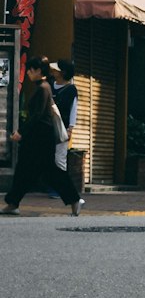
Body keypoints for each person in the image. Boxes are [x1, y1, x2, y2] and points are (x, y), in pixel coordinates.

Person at [3, 57, 83, 215]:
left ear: (38, 71)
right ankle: (13, 203)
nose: (28, 74)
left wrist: (21, 132)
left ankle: (73, 199)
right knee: (28, 170)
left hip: (40, 138)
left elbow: (38, 115)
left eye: (31, 70)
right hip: (39, 137)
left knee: (45, 172)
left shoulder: (43, 88)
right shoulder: (45, 86)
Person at [51, 59, 79, 173]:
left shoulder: (71, 90)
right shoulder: (49, 84)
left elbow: (73, 109)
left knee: (60, 159)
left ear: (62, 73)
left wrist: (70, 129)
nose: (53, 71)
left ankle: (60, 186)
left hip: (62, 127)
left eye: (56, 70)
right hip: (48, 125)